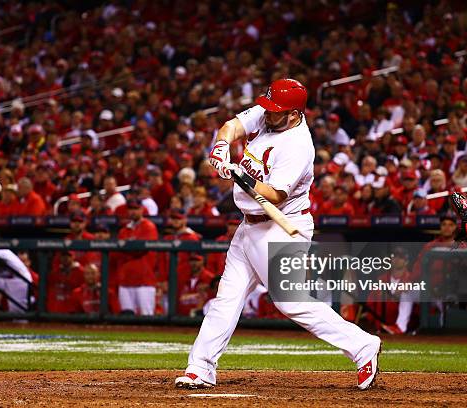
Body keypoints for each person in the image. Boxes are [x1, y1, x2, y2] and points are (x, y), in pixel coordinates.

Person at [175, 79, 381, 391]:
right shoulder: (271, 112)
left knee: (292, 302)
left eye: (276, 111)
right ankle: (200, 369)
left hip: (281, 228)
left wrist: (240, 175)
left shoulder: (298, 145)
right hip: (248, 227)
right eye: (269, 108)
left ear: (295, 113)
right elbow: (232, 126)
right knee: (226, 300)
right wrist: (220, 146)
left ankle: (362, 345)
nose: (268, 114)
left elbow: (274, 195)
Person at [116, 199, 159, 315]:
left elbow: (140, 250)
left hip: (144, 281)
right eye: (130, 209)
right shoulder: (124, 230)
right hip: (125, 281)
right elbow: (120, 251)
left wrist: (128, 247)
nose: (133, 212)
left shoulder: (149, 227)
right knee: (126, 319)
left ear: (142, 210)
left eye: (136, 209)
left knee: (147, 318)